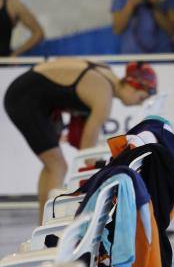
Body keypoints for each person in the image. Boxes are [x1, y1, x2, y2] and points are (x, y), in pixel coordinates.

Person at [3, 59, 156, 218]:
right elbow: (86, 152)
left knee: (53, 166)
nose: (139, 104)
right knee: (57, 166)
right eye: (141, 98)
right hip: (25, 98)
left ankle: (44, 221)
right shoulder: (103, 95)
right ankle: (46, 224)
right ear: (133, 85)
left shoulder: (106, 75)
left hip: (31, 94)